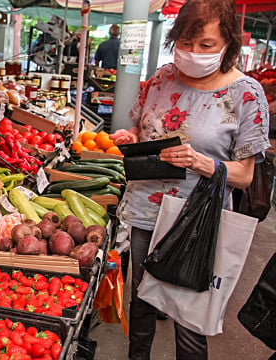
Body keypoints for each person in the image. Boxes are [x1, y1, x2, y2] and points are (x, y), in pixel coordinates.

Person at [109, 0, 271, 358]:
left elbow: (245, 176)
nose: (194, 52)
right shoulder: (163, 78)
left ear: (227, 43)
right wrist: (133, 135)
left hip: (196, 220)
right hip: (144, 210)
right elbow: (143, 124)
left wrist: (201, 162)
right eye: (185, 42)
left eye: (206, 45)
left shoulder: (246, 94)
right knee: (142, 300)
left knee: (189, 315)